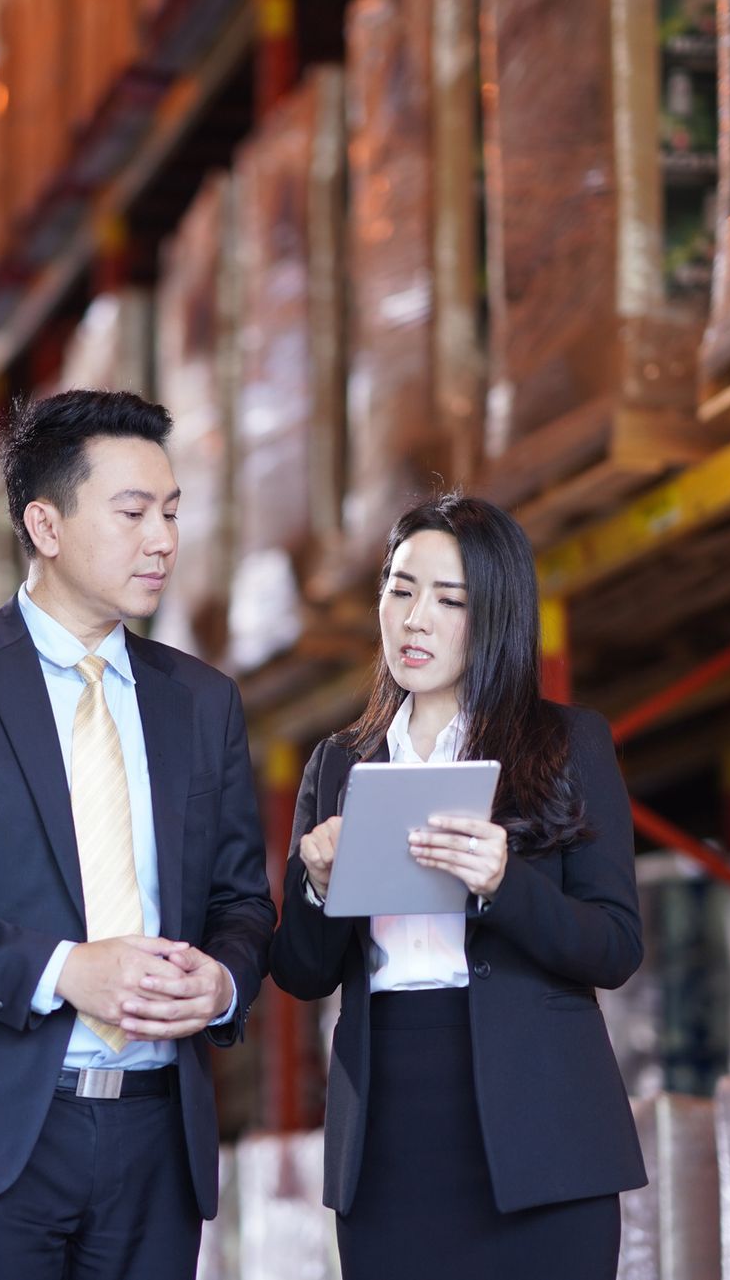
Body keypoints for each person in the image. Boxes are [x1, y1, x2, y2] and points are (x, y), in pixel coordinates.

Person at [0, 390, 275, 1280]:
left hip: (156, 1140)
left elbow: (241, 901)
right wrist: (64, 968)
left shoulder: (201, 700)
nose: (164, 540)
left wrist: (223, 980)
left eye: (174, 512)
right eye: (134, 511)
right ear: (46, 522)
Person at [270, 493, 646, 1277]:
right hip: (391, 1135)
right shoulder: (340, 763)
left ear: (495, 614)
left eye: (449, 600)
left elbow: (614, 944)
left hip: (541, 1130)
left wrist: (505, 882)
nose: (416, 620)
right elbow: (302, 972)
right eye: (401, 589)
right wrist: (314, 883)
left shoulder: (567, 744)